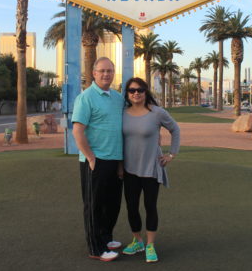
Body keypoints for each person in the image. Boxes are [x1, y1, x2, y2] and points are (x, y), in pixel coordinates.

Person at [120, 77, 180, 263]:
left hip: (151, 168)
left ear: (146, 92)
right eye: (132, 90)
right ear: (127, 94)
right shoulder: (122, 113)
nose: (136, 93)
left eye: (140, 90)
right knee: (131, 207)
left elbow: (175, 129)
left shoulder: (157, 112)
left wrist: (171, 154)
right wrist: (119, 166)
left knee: (150, 206)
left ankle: (151, 244)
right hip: (129, 169)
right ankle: (138, 240)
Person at [72, 57, 125, 262]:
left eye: (110, 71)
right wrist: (90, 157)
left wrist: (120, 163)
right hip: (95, 161)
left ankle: (106, 238)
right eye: (102, 71)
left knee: (112, 204)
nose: (106, 74)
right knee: (94, 205)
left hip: (115, 160)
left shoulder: (118, 98)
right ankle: (96, 248)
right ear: (94, 73)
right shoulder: (86, 98)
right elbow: (78, 131)